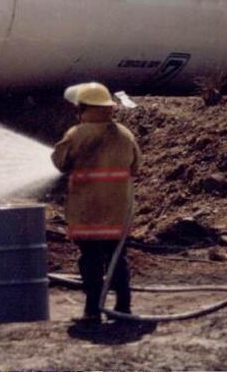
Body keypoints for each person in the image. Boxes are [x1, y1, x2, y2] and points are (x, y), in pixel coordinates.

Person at [51, 82, 141, 323]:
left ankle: (92, 311)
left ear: (84, 108)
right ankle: (123, 307)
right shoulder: (124, 134)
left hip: (86, 211)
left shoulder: (76, 135)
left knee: (90, 259)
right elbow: (136, 166)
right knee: (117, 259)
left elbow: (59, 162)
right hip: (117, 210)